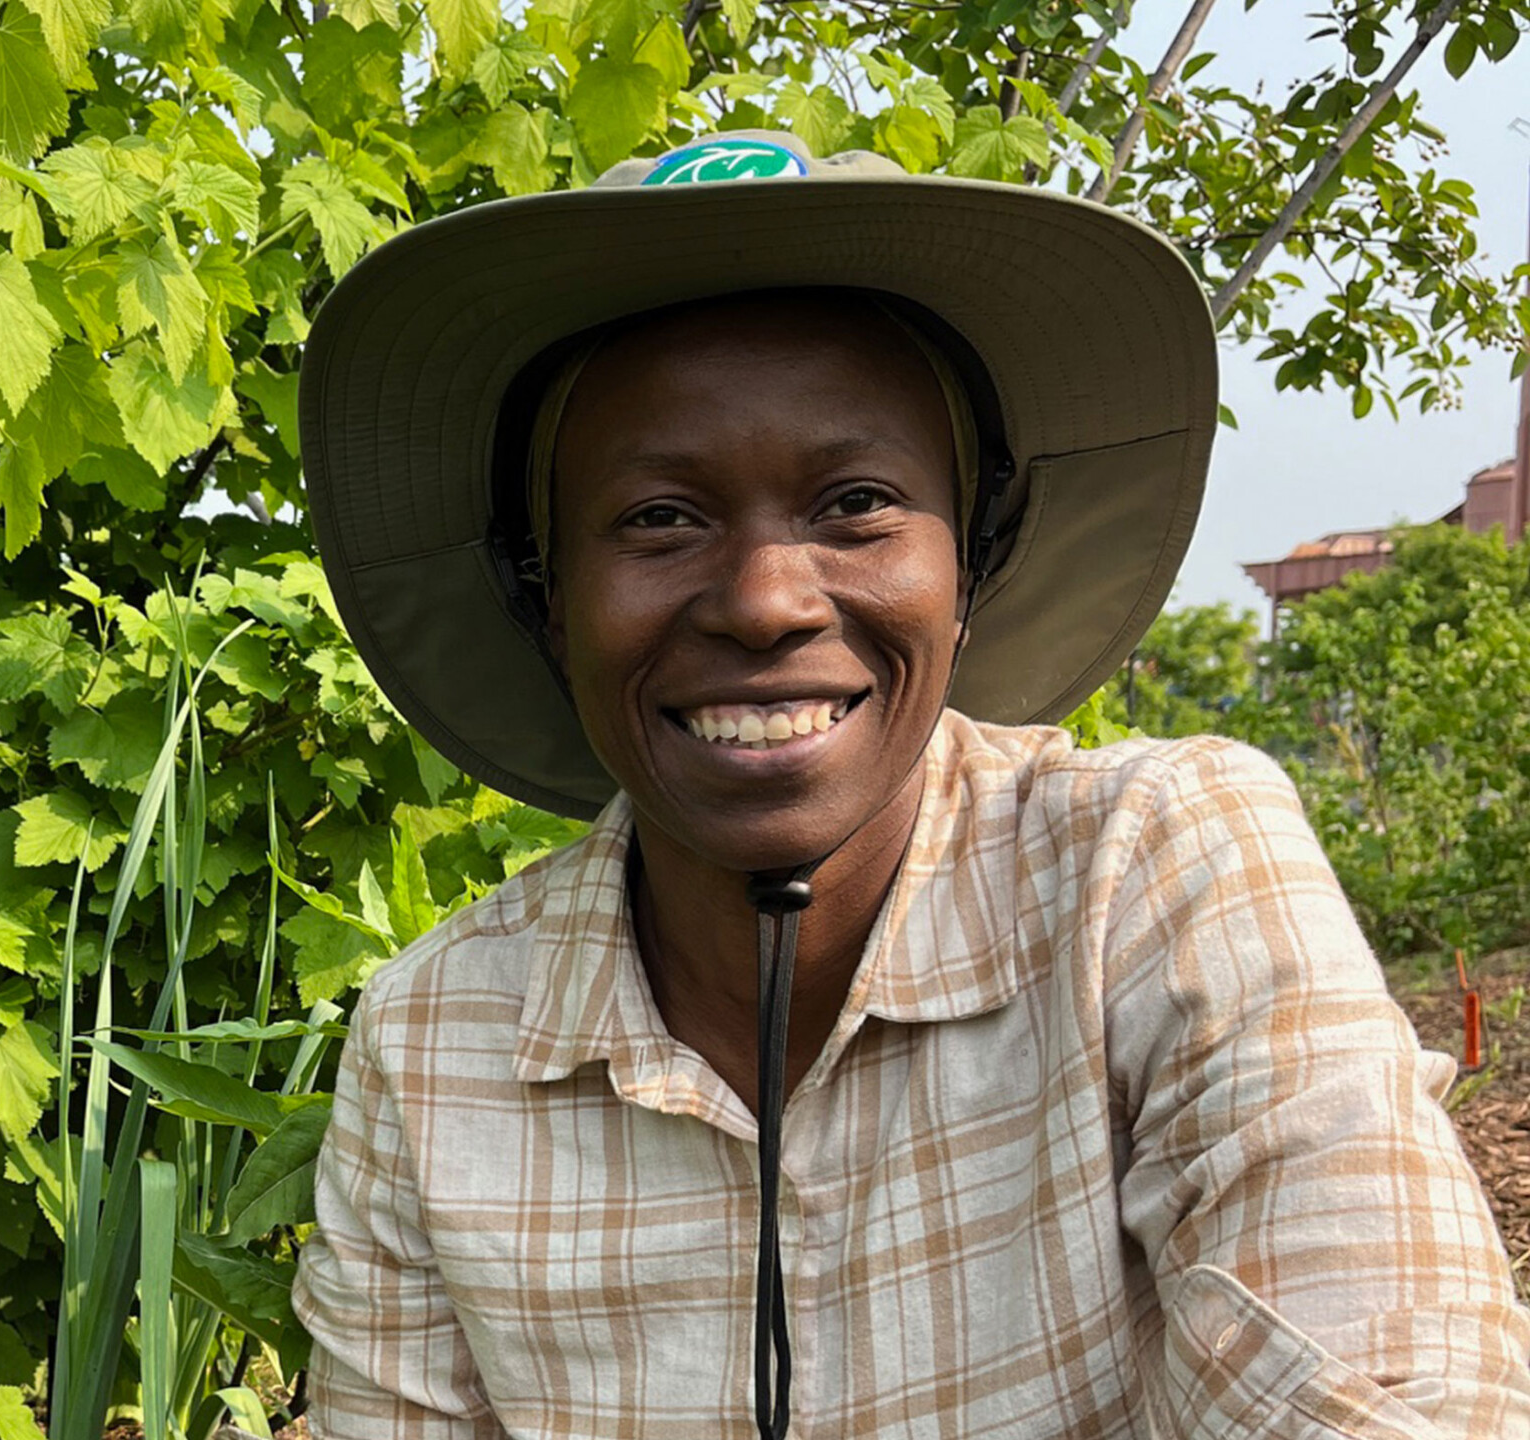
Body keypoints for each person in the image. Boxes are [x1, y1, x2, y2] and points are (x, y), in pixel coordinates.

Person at [289, 130, 1530, 1438]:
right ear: (543, 600)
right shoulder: (439, 1042)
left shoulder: (1154, 871)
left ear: (973, 568)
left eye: (858, 502)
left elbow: (1400, 1392)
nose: (767, 601)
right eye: (660, 517)